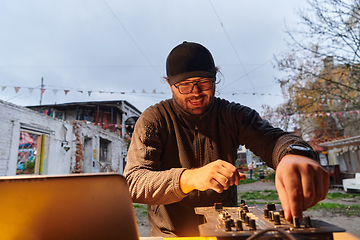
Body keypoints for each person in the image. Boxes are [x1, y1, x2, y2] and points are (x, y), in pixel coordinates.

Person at [123, 41, 329, 237]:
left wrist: (293, 154)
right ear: (169, 84)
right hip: (170, 235)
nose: (196, 92)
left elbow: (274, 140)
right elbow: (133, 182)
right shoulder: (154, 119)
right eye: (185, 85)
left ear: (216, 78)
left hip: (226, 232)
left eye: (204, 82)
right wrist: (189, 178)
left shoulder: (233, 115)